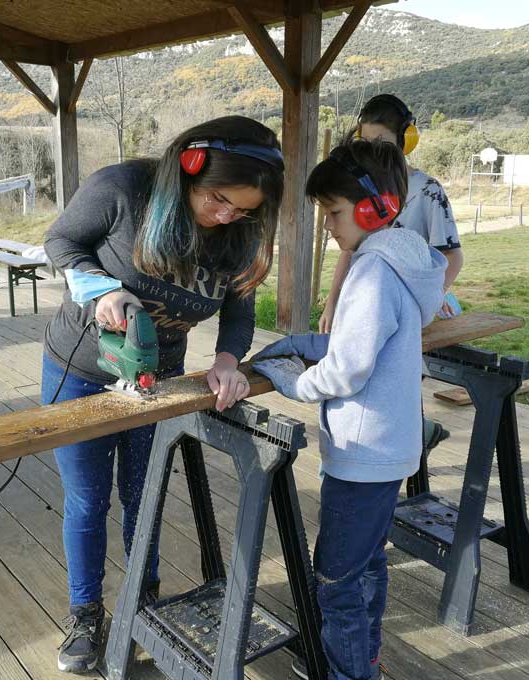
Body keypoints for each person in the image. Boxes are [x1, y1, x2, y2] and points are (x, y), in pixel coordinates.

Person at [41, 116, 284, 674]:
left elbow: (239, 307)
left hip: (161, 377)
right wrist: (98, 286)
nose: (227, 216)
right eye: (219, 200)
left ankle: (141, 604)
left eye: (243, 210)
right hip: (79, 369)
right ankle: (86, 613)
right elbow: (62, 239)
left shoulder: (240, 230)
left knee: (143, 495)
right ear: (187, 169)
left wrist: (227, 361)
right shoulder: (123, 189)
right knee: (87, 499)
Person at [252, 139, 446, 680]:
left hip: (361, 457)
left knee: (335, 580)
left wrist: (293, 381)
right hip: (389, 450)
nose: (329, 228)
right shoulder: (404, 259)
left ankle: (349, 672)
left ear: (372, 207)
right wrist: (303, 343)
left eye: (334, 214)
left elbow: (346, 370)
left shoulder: (372, 272)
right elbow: (360, 342)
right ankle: (366, 658)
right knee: (366, 565)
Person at [320, 93, 463, 333]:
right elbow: (349, 251)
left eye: (381, 143)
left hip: (405, 315)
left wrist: (428, 300)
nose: (371, 152)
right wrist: (332, 303)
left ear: (405, 141)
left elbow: (453, 256)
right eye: (365, 142)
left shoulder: (428, 191)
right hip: (367, 308)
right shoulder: (362, 186)